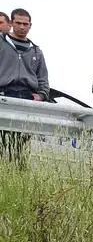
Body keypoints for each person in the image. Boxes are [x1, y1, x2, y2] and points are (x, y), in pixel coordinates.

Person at [0, 9, 49, 169]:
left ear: (30, 25)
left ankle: (18, 174)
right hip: (4, 94)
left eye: (25, 24)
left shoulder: (36, 51)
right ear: (11, 23)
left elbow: (43, 77)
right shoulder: (2, 43)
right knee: (3, 138)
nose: (22, 27)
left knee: (21, 142)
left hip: (26, 98)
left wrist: (41, 95)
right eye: (18, 23)